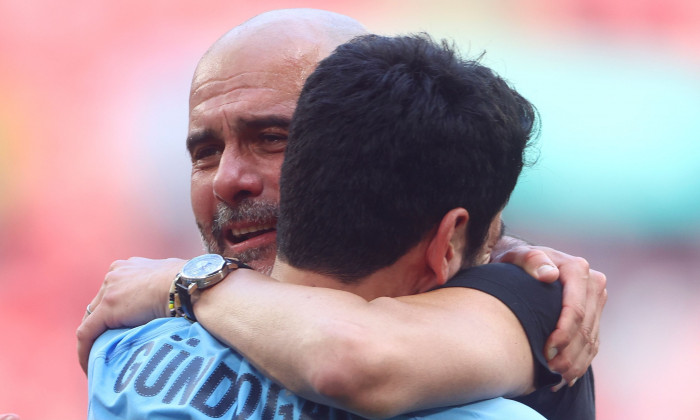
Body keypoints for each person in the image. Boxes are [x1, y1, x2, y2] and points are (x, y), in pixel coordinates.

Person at [76, 8, 606, 420]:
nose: (227, 180)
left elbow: (352, 359)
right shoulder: (148, 328)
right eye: (205, 152)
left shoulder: (521, 300)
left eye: (271, 138)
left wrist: (185, 281)